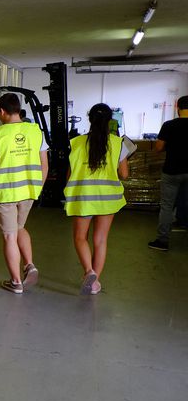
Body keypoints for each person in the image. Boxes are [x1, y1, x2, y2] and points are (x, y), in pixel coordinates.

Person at [0, 93, 49, 294]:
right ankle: (29, 264)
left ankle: (15, 282)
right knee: (20, 227)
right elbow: (44, 164)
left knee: (9, 236)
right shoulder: (35, 131)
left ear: (2, 112)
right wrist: (38, 187)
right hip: (28, 190)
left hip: (5, 193)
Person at [63, 103, 129, 295]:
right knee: (100, 240)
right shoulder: (118, 143)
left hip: (83, 198)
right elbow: (124, 174)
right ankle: (94, 283)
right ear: (110, 121)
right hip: (108, 199)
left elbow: (69, 174)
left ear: (89, 119)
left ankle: (89, 271)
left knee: (79, 237)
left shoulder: (76, 142)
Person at [148, 95, 188, 251]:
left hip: (172, 171)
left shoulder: (169, 125)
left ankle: (162, 241)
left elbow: (158, 148)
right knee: (185, 201)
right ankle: (183, 222)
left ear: (178, 108)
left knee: (167, 206)